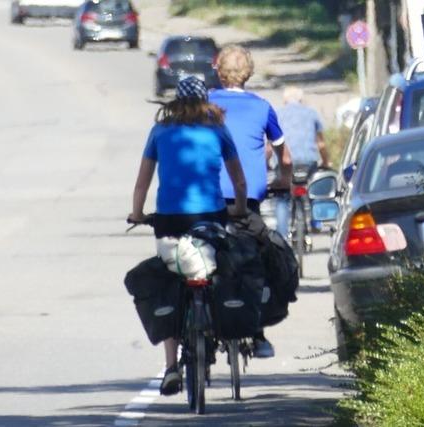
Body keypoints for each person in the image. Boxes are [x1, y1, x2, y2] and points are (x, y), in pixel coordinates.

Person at [128, 76, 247, 396]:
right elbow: (238, 180)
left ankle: (171, 365)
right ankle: (217, 321)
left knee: (170, 282)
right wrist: (237, 209)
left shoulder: (160, 132)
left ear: (176, 103)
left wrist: (137, 214)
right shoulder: (218, 130)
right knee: (218, 269)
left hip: (169, 220)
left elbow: (142, 183)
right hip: (210, 216)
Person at [209, 44, 292, 359]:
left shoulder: (203, 105)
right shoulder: (262, 107)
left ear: (219, 71)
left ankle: (193, 322)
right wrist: (284, 180)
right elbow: (284, 154)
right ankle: (258, 333)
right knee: (262, 259)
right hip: (247, 204)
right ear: (249, 73)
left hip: (206, 200)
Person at [273, 85, 329, 237]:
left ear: (285, 101)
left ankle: (282, 235)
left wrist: (266, 163)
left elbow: (269, 145)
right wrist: (325, 162)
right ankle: (317, 221)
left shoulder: (277, 114)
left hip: (285, 161)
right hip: (308, 160)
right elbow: (321, 144)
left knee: (282, 196)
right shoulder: (311, 113)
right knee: (313, 187)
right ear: (301, 100)